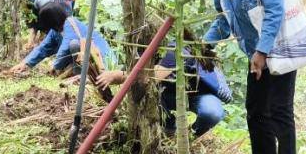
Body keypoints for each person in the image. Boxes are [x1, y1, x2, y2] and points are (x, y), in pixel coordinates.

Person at [201, 0, 293, 154]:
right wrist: (204, 45)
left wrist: (263, 51)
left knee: (279, 112)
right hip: (254, 56)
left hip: (276, 52)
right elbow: (223, 20)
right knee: (255, 110)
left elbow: (276, 10)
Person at [98, 43, 230, 138]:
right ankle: (169, 128)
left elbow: (152, 76)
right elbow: (135, 78)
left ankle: (193, 136)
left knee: (211, 113)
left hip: (198, 94)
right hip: (167, 95)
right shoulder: (138, 53)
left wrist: (116, 75)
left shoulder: (175, 50)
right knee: (145, 90)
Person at [13, 1, 112, 76]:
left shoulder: (70, 24)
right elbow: (43, 48)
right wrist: (25, 63)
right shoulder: (55, 31)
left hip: (102, 60)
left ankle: (80, 76)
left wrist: (55, 66)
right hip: (86, 61)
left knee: (74, 44)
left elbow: (65, 48)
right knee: (73, 46)